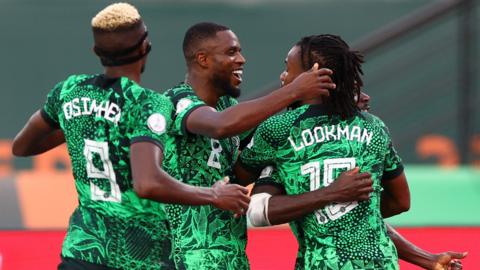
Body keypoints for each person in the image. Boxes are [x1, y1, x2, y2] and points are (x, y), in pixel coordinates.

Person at [11, 4, 249, 270]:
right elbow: (147, 184)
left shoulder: (70, 90)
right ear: (144, 47)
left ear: (96, 52)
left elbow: (22, 146)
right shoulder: (147, 104)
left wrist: (86, 123)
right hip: (140, 257)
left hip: (83, 252)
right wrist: (213, 195)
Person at [237, 34, 467, 269]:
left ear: (313, 75)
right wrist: (342, 205)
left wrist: (325, 201)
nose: (283, 76)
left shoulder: (279, 129)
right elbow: (400, 202)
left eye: (288, 68)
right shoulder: (374, 126)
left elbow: (251, 203)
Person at [160, 22, 337, 269]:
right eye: (231, 52)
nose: (241, 59)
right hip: (183, 257)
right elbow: (220, 126)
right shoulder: (176, 100)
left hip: (230, 256)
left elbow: (271, 132)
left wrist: (341, 111)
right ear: (203, 59)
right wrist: (294, 91)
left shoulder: (227, 105)